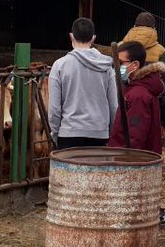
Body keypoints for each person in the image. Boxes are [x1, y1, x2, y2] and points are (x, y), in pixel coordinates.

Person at [47, 17, 119, 149]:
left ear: (71, 36)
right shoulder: (107, 67)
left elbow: (54, 109)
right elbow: (114, 105)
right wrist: (109, 132)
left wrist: (56, 132)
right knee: (97, 170)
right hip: (99, 134)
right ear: (93, 38)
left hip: (69, 133)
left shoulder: (59, 65)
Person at [120, 12, 165, 140]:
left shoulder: (119, 48)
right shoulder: (160, 51)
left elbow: (112, 82)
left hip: (123, 107)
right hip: (150, 109)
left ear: (134, 26)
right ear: (154, 29)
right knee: (148, 151)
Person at [107, 41, 165, 153]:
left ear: (135, 65)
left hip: (131, 160)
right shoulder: (136, 88)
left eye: (120, 62)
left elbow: (135, 134)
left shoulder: (138, 95)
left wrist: (125, 158)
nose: (116, 67)